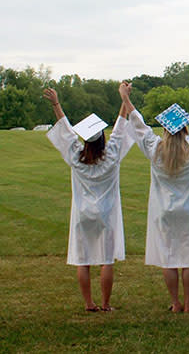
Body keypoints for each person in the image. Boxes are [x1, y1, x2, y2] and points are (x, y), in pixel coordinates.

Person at [125, 80, 189, 313]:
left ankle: (174, 302)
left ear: (164, 129)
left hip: (165, 211)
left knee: (169, 258)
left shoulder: (155, 149)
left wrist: (126, 98)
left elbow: (139, 126)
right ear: (185, 129)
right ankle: (188, 302)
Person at [43, 82, 135, 312]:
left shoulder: (76, 157)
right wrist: (124, 99)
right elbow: (121, 128)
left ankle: (89, 304)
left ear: (85, 140)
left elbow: (65, 130)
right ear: (103, 139)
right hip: (106, 212)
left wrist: (56, 104)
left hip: (83, 212)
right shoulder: (111, 156)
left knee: (83, 259)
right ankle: (105, 304)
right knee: (106, 259)